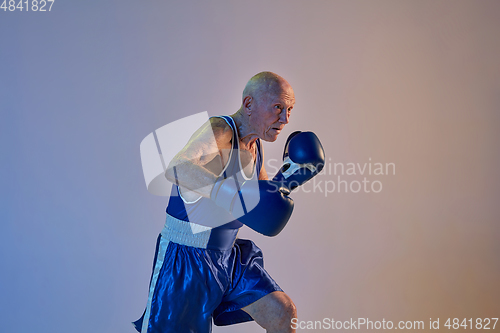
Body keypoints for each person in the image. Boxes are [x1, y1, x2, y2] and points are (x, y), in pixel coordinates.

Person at [134, 72, 300, 333]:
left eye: (289, 110)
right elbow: (179, 168)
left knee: (282, 313)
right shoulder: (221, 129)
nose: (285, 119)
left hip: (228, 258)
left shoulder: (256, 143)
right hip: (186, 259)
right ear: (248, 104)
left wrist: (291, 176)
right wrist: (230, 194)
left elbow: (260, 201)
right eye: (278, 108)